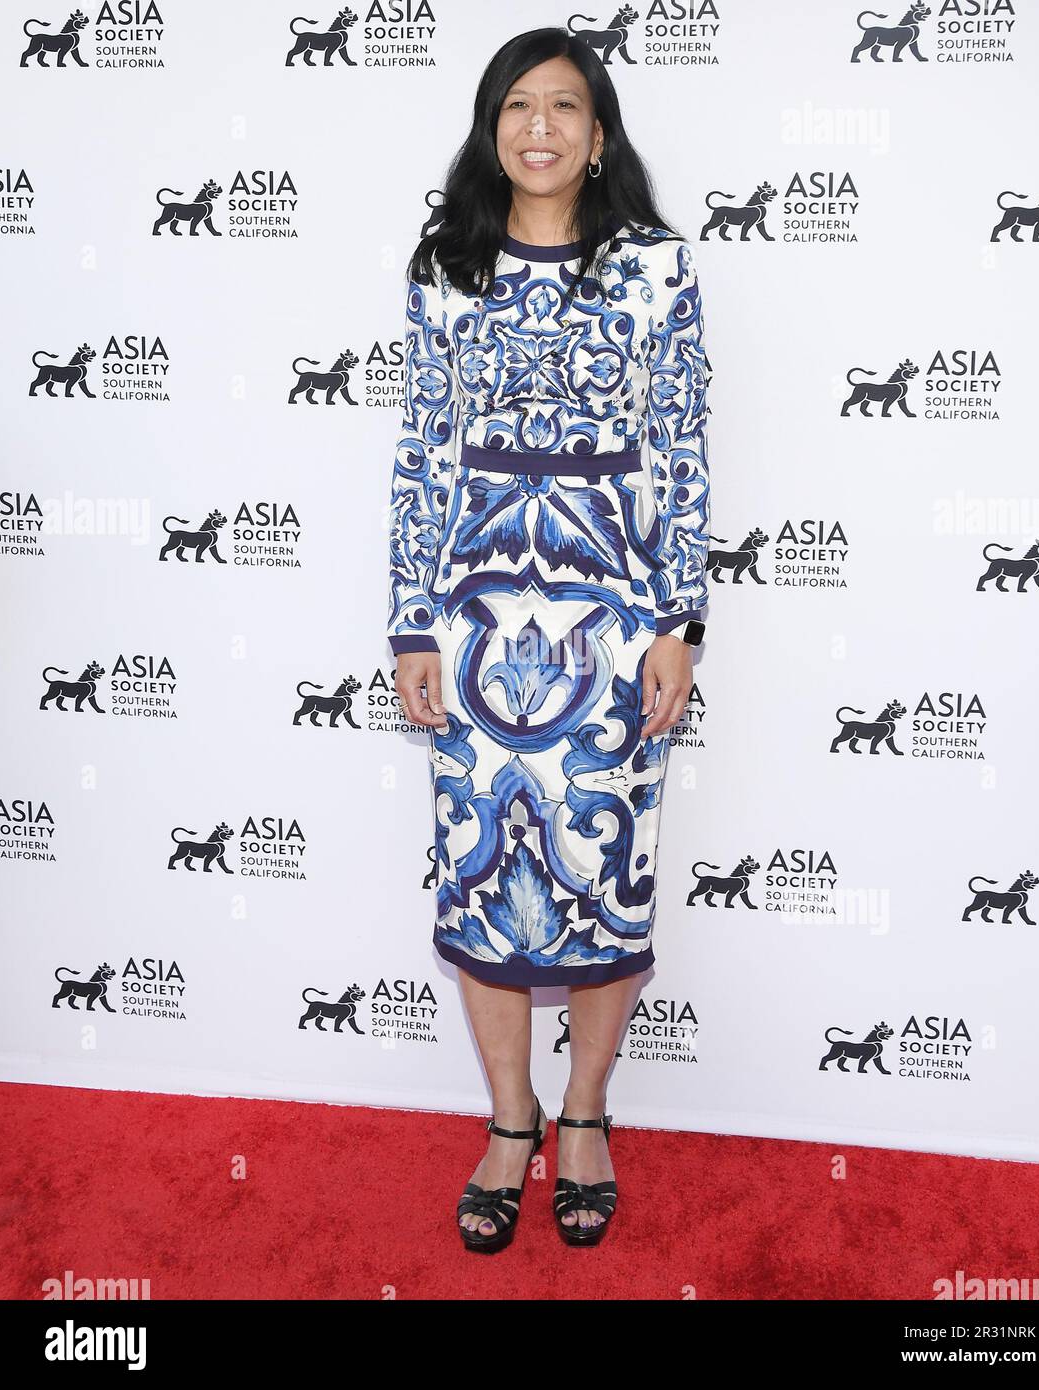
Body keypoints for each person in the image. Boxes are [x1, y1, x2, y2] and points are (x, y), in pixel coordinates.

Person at [385, 26, 712, 1252]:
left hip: (616, 621)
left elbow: (679, 450)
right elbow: (420, 451)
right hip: (472, 625)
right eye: (516, 106)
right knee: (483, 876)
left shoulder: (657, 271)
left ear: (599, 130)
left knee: (600, 875)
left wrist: (679, 621)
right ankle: (507, 1122)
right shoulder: (444, 267)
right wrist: (411, 621)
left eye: (562, 107)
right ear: (490, 128)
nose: (538, 127)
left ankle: (584, 1116)